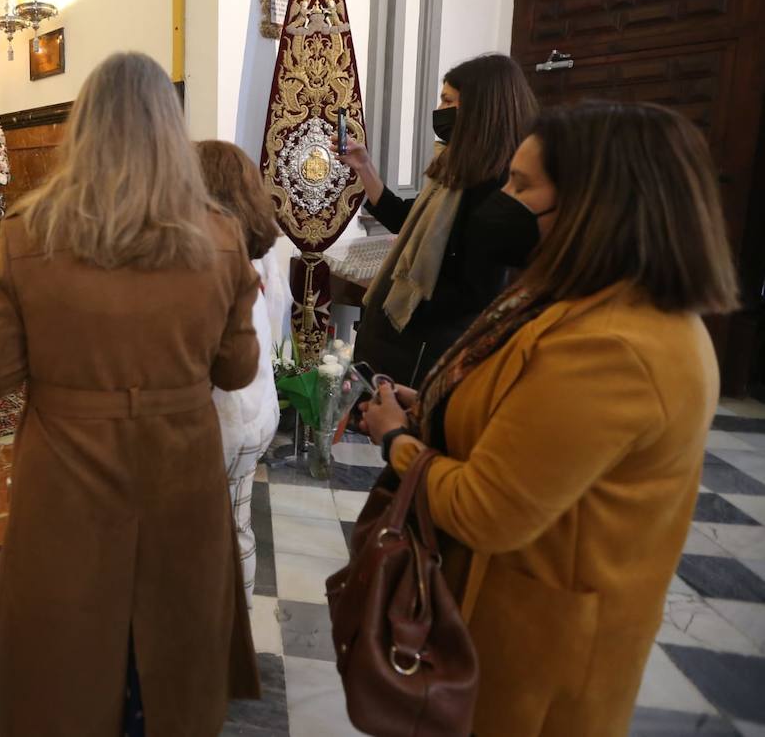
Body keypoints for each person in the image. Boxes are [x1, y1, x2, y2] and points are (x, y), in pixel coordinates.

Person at [358, 101, 738, 737]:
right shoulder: (569, 299)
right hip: (489, 614)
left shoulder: (619, 345)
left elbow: (487, 509)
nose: (502, 200)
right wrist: (430, 407)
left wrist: (397, 440)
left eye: (522, 185)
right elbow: (519, 414)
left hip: (536, 650)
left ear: (598, 203)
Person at [0, 53, 263, 736]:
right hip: (179, 463)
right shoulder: (221, 238)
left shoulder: (25, 234)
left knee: (67, 627)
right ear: (170, 129)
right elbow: (237, 371)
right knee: (174, 615)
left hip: (66, 469)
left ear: (83, 129)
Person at [341, 53, 537, 385]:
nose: (439, 109)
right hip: (403, 337)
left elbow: (476, 291)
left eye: (447, 100)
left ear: (478, 109)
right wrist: (364, 168)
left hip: (428, 347)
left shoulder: (498, 186)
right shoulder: (455, 169)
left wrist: (410, 298)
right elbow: (409, 221)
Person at [197, 139, 288, 609]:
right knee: (238, 523)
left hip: (223, 416)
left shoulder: (211, 254)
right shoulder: (261, 247)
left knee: (211, 538)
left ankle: (220, 643)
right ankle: (240, 630)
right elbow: (275, 317)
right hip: (259, 406)